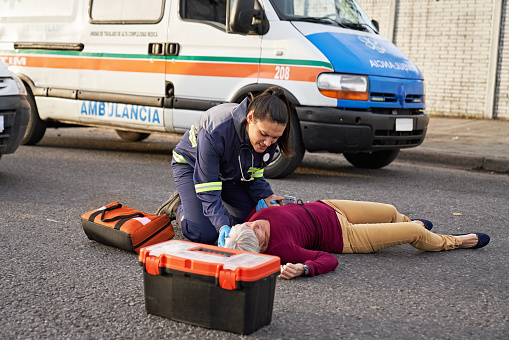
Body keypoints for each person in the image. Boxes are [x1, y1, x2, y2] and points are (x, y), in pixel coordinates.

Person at [156, 86, 293, 246]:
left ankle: (204, 208)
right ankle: (179, 207)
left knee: (251, 219)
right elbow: (208, 188)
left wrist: (266, 197)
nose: (268, 143)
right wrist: (222, 225)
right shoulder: (216, 130)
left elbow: (253, 177)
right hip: (192, 167)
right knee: (203, 233)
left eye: (275, 137)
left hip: (224, 174)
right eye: (264, 134)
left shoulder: (267, 137)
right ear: (250, 117)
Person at [224, 200, 491, 279]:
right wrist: (305, 268)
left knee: (390, 211)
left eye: (248, 224)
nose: (254, 223)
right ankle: (452, 241)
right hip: (345, 236)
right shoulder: (282, 250)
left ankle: (409, 223)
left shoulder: (252, 219)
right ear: (261, 248)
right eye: (255, 232)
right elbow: (326, 259)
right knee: (416, 234)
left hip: (331, 207)